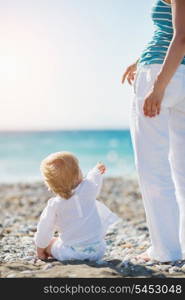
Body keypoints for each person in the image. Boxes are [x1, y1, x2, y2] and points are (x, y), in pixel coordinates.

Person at [122, 0, 185, 262]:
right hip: (180, 76)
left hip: (162, 74)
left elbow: (181, 38)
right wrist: (138, 60)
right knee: (182, 169)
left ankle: (166, 251)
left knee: (152, 168)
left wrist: (157, 87)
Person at [34, 151, 119, 262]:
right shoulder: (88, 188)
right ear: (77, 176)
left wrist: (40, 249)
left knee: (50, 243)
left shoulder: (54, 205)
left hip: (71, 253)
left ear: (50, 185)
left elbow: (44, 230)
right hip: (98, 250)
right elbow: (93, 178)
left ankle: (46, 252)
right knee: (61, 240)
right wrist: (97, 170)